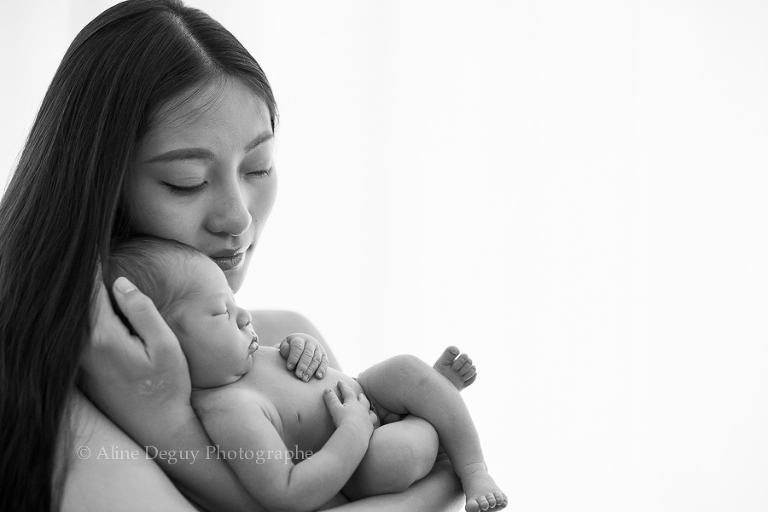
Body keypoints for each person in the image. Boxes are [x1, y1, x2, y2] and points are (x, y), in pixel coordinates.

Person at [0, 0, 468, 510]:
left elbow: (357, 484)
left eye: (259, 167)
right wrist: (443, 482)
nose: (239, 217)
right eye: (187, 182)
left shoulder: (284, 339)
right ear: (100, 190)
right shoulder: (53, 394)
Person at [105, 236, 507, 512]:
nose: (243, 316)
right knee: (402, 454)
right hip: (358, 461)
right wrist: (353, 430)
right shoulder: (229, 407)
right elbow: (288, 492)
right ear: (166, 342)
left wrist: (300, 345)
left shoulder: (241, 356)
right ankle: (435, 415)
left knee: (404, 368)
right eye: (220, 312)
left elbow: (313, 373)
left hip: (364, 392)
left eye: (234, 302)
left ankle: (470, 461)